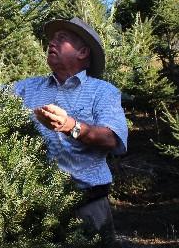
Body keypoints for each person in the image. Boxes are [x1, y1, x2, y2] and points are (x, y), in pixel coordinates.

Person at [13, 17, 128, 243]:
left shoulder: (103, 92)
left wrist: (69, 126)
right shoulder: (27, 88)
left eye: (61, 39)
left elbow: (112, 139)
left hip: (88, 205)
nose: (52, 43)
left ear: (83, 52)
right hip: (36, 204)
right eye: (52, 39)